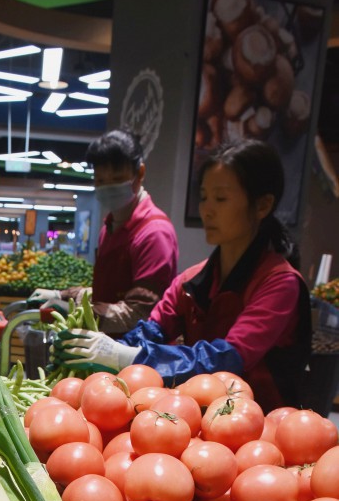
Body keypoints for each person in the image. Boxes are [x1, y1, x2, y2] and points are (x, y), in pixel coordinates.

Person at [57, 139, 311, 411]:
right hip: (195, 419)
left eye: (221, 198)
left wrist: (128, 356)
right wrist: (107, 348)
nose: (207, 210)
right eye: (203, 197)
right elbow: (153, 329)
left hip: (261, 426)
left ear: (262, 206)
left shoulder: (280, 283)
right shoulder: (191, 279)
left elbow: (227, 359)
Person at [32, 129, 179, 334]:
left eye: (117, 179)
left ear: (140, 173)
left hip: (134, 354)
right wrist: (61, 294)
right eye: (101, 181)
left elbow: (140, 313)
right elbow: (108, 297)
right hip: (103, 346)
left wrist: (77, 313)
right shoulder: (108, 228)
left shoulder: (154, 234)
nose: (109, 187)